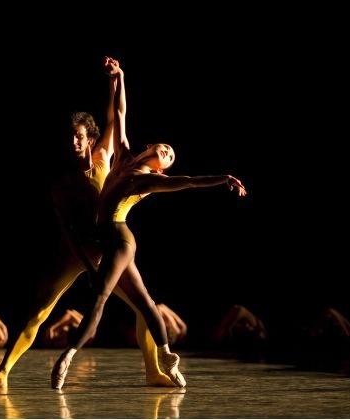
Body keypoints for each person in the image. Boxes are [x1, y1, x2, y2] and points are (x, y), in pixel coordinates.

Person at [51, 58, 247, 389]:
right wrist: (119, 77)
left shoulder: (151, 181)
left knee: (100, 297)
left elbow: (189, 182)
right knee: (145, 303)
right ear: (149, 148)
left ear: (161, 169)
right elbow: (119, 114)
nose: (168, 151)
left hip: (120, 239)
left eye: (170, 157)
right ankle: (168, 357)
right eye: (166, 148)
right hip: (107, 239)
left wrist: (223, 179)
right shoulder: (124, 155)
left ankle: (67, 357)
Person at [0, 57, 174, 388]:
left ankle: (153, 371)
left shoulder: (103, 158)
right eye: (70, 138)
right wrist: (86, 264)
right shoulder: (61, 184)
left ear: (90, 138)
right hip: (77, 250)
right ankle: (3, 372)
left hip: (110, 248)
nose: (74, 143)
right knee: (39, 310)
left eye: (79, 137)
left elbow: (117, 115)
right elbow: (68, 229)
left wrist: (116, 79)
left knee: (146, 308)